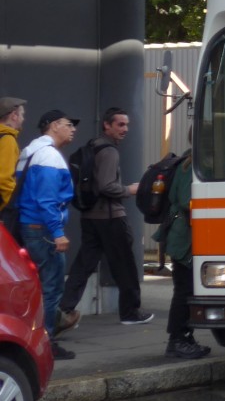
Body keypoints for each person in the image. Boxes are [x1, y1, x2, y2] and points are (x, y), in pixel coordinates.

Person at [59, 107, 154, 327]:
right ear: (107, 125)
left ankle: (64, 308)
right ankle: (130, 313)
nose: (125, 129)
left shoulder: (92, 146)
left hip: (90, 216)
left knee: (83, 265)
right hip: (110, 217)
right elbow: (107, 186)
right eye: (120, 124)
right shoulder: (110, 151)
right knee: (126, 266)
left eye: (127, 125)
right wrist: (129, 190)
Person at [16, 109, 78, 360]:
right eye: (68, 124)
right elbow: (47, 200)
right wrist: (58, 233)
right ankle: (46, 343)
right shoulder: (50, 156)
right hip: (42, 230)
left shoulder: (29, 151)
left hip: (29, 226)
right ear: (53, 126)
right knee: (51, 287)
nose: (73, 129)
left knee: (37, 286)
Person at [153, 153, 211, 360]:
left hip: (183, 237)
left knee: (187, 289)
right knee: (185, 290)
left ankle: (184, 338)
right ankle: (176, 340)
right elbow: (188, 201)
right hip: (184, 239)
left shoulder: (191, 162)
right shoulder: (194, 165)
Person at [0, 95, 26, 210]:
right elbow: (5, 179)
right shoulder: (7, 140)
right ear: (14, 115)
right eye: (22, 115)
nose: (23, 119)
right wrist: (12, 208)